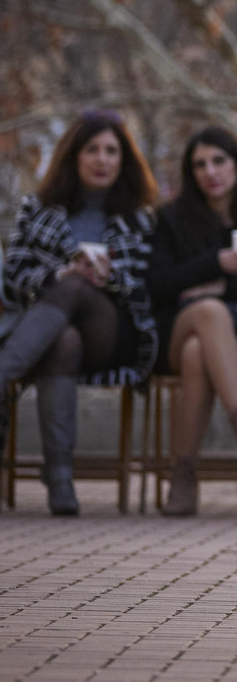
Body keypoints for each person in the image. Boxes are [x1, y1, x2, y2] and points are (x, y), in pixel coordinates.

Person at [0, 111, 159, 515]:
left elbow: (148, 287)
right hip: (48, 335)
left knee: (75, 287)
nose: (102, 159)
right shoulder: (37, 209)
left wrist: (109, 279)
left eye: (111, 151)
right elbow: (12, 278)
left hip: (113, 332)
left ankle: (3, 371)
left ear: (123, 160)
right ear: (73, 156)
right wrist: (57, 273)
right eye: (92, 150)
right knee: (64, 338)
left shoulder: (139, 218)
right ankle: (60, 477)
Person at [146, 127, 237, 516]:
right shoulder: (171, 220)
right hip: (176, 330)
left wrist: (224, 284)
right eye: (199, 165)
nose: (210, 171)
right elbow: (156, 287)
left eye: (219, 161)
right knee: (206, 317)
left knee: (199, 352)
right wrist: (211, 264)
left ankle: (183, 476)